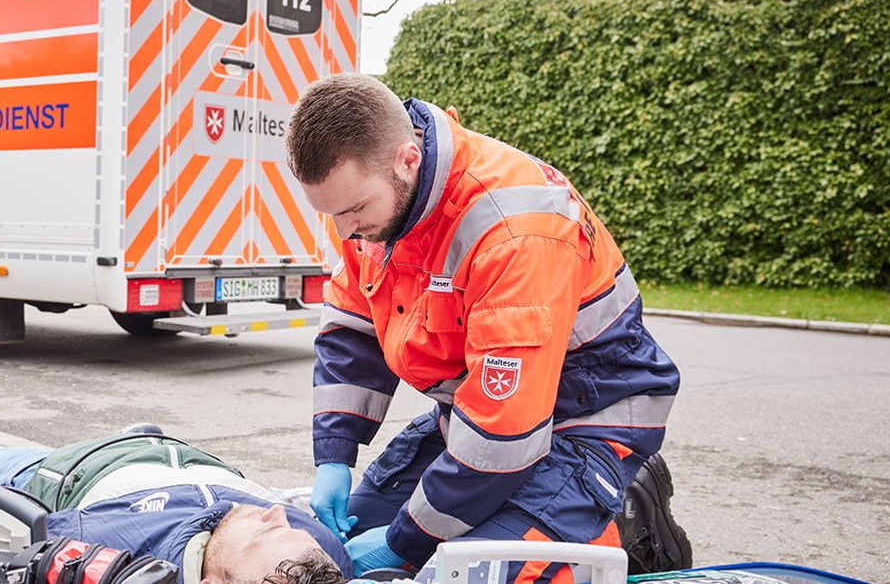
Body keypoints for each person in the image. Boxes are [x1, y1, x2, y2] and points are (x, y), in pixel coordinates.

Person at [283, 74, 682, 581]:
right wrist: (333, 457)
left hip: (586, 420)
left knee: (465, 572)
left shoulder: (514, 230)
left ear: (409, 160)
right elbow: (352, 327)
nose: (345, 233)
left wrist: (404, 542)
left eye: (355, 210)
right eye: (331, 214)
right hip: (475, 414)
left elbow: (503, 437)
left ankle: (620, 519)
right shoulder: (380, 204)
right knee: (331, 555)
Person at [0, 423, 353, 584]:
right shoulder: (322, 556)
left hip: (85, 467)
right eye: (292, 526)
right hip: (188, 452)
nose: (276, 513)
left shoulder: (112, 548)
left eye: (265, 530)